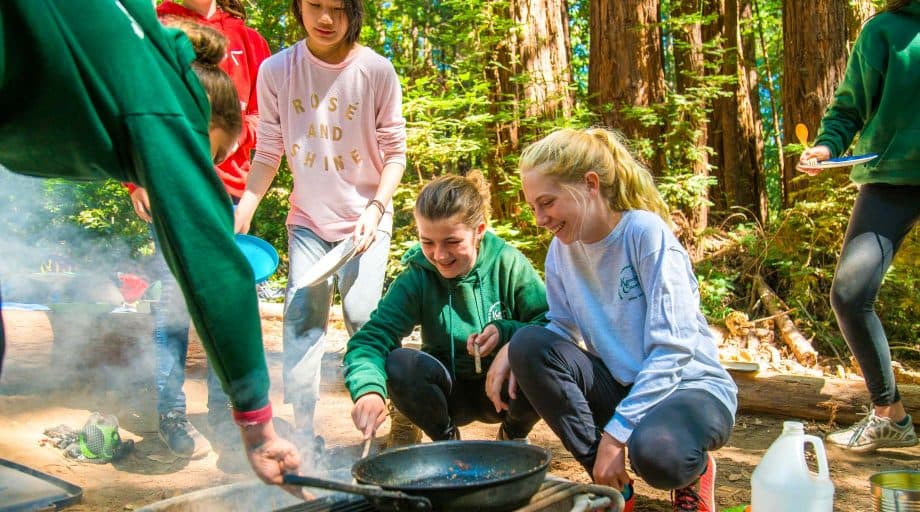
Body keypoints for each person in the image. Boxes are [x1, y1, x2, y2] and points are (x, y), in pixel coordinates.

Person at [0, 0, 298, 486]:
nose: (204, 175)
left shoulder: (140, 45)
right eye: (211, 155)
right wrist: (258, 426)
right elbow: (217, 270)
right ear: (200, 120)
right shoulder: (167, 101)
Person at [503, 128, 738, 512]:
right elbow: (561, 329)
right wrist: (509, 353)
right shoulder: (562, 251)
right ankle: (614, 486)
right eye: (533, 207)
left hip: (689, 388)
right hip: (624, 385)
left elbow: (673, 349)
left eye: (547, 202)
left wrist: (615, 438)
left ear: (590, 184)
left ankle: (693, 473)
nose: (540, 218)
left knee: (657, 453)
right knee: (528, 344)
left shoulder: (644, 234)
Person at [234, 0, 407, 455]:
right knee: (301, 316)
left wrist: (374, 208)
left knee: (362, 314)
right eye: (315, 5)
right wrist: (246, 207)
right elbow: (269, 150)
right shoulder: (276, 70)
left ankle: (389, 406)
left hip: (366, 218)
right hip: (308, 219)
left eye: (337, 8)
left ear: (355, 12)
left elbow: (395, 154)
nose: (325, 19)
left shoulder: (376, 70)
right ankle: (304, 428)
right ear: (298, 6)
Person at [124, 0, 272, 460]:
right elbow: (132, 106)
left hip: (230, 191)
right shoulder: (151, 23)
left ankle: (228, 413)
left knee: (225, 298)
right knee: (172, 302)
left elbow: (265, 122)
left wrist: (248, 196)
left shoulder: (249, 40)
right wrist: (136, 178)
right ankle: (171, 413)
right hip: (167, 180)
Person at [346, 172, 548, 444]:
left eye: (452, 242)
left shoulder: (509, 264)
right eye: (427, 242)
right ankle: (446, 440)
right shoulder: (417, 277)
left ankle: (513, 436)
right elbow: (371, 339)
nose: (439, 255)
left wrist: (507, 334)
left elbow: (551, 325)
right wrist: (368, 390)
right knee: (399, 363)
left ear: (479, 231)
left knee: (539, 356)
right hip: (448, 393)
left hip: (505, 389)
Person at [797, 0, 918, 453]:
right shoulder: (883, 31)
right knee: (849, 293)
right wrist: (827, 146)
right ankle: (890, 416)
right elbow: (849, 106)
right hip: (891, 179)